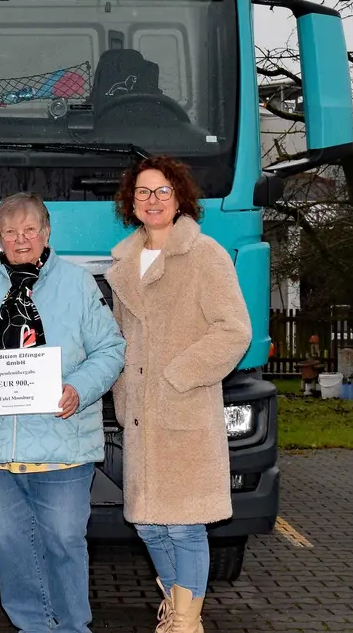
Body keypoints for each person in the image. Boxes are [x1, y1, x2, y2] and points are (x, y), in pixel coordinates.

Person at [0, 193, 126, 633]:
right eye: (10, 232)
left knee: (63, 540)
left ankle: (73, 626)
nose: (21, 239)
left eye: (30, 230)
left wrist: (78, 389)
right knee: (14, 545)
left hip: (63, 444)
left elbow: (111, 349)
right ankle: (33, 626)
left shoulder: (78, 284)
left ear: (46, 233)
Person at [104, 156, 251, 633]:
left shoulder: (206, 255)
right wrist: (124, 395)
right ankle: (178, 612)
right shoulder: (123, 262)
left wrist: (179, 374)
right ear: (131, 202)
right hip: (142, 418)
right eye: (143, 192)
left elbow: (234, 331)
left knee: (185, 524)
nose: (152, 200)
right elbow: (121, 339)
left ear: (180, 198)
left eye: (162, 191)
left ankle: (186, 625)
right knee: (148, 524)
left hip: (184, 408)